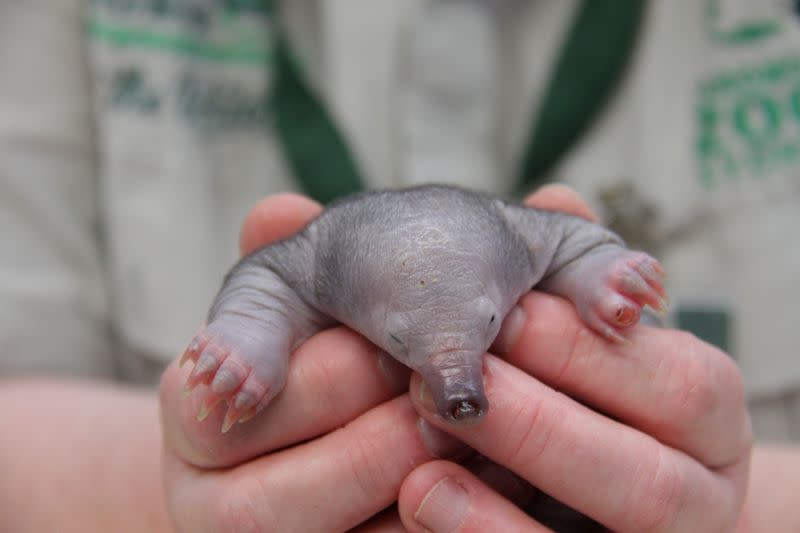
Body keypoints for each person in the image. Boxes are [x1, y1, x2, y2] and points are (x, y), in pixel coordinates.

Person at [0, 0, 798, 531]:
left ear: (507, 279)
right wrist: (240, 365)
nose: (458, 384)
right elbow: (262, 283)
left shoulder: (525, 235)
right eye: (409, 339)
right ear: (366, 313)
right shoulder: (312, 256)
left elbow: (576, 242)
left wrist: (605, 281)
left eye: (486, 323)